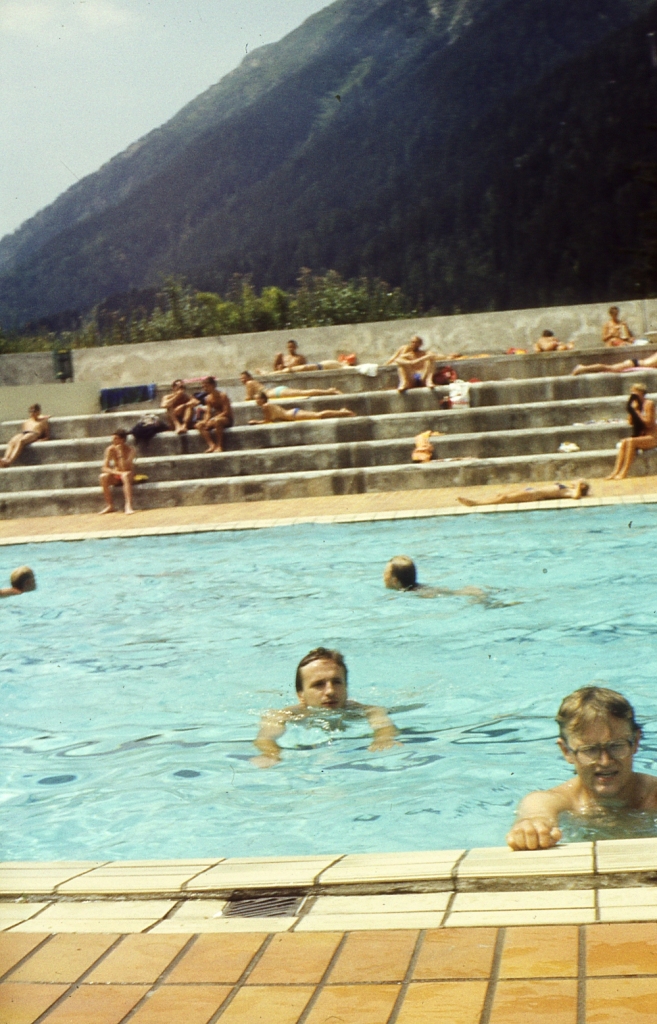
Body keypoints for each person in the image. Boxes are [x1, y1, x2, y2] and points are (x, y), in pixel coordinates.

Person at [507, 686, 657, 851]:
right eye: (590, 750)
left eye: (616, 746)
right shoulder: (555, 801)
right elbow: (536, 814)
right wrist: (532, 827)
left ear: (636, 742)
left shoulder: (653, 796)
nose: (605, 761)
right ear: (566, 751)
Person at [252, 647, 400, 767]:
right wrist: (270, 753)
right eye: (318, 684)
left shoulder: (367, 711)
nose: (330, 691)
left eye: (336, 682)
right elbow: (265, 738)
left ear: (346, 687)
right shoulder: (284, 715)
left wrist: (383, 739)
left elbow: (384, 726)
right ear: (301, 695)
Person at [606, 383, 657, 480]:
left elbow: (649, 423)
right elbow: (630, 422)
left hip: (653, 437)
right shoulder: (637, 405)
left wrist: (637, 412)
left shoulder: (649, 404)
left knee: (631, 441)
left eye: (635, 392)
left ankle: (624, 472)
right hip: (643, 436)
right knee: (625, 442)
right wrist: (632, 410)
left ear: (641, 393)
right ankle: (616, 471)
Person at [383, 556, 487, 603]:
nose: (383, 577)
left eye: (385, 574)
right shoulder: (419, 588)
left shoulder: (407, 594)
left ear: (395, 581)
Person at [457, 480, 590, 506]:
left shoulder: (571, 491)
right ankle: (475, 501)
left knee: (504, 498)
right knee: (500, 495)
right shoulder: (568, 487)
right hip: (531, 490)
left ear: (582, 486)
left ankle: (476, 503)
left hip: (534, 494)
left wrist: (578, 485)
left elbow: (576, 496)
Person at [248, 391, 356, 423]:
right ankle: (342, 412)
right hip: (293, 413)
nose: (256, 400)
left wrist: (256, 422)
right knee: (318, 415)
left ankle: (343, 412)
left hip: (293, 415)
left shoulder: (265, 406)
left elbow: (267, 421)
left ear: (262, 399)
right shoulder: (268, 405)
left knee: (318, 415)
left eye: (257, 399)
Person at [99, 428, 136, 514]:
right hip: (118, 474)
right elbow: (104, 468)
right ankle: (109, 505)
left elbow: (125, 468)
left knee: (125, 476)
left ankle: (128, 505)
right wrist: (117, 473)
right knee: (103, 477)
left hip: (128, 475)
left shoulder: (131, 450)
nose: (113, 441)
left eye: (116, 439)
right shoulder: (110, 449)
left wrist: (120, 453)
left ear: (122, 440)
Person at [240, 370, 343, 400]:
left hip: (275, 393)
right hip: (276, 391)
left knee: (303, 393)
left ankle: (330, 391)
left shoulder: (249, 383)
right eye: (241, 378)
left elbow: (248, 398)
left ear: (249, 377)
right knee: (303, 392)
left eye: (244, 378)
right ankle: (329, 391)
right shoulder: (253, 382)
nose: (242, 380)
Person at [196, 376, 233, 453]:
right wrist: (206, 421)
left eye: (206, 386)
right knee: (199, 425)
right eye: (204, 387)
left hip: (226, 419)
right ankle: (211, 445)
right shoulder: (208, 398)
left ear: (212, 385)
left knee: (217, 421)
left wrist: (213, 419)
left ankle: (219, 445)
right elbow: (208, 412)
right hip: (215, 419)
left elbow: (226, 412)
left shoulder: (223, 395)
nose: (205, 388)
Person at [572, 351, 657, 375]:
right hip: (634, 364)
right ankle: (583, 368)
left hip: (635, 363)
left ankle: (583, 368)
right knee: (610, 368)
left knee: (609, 368)